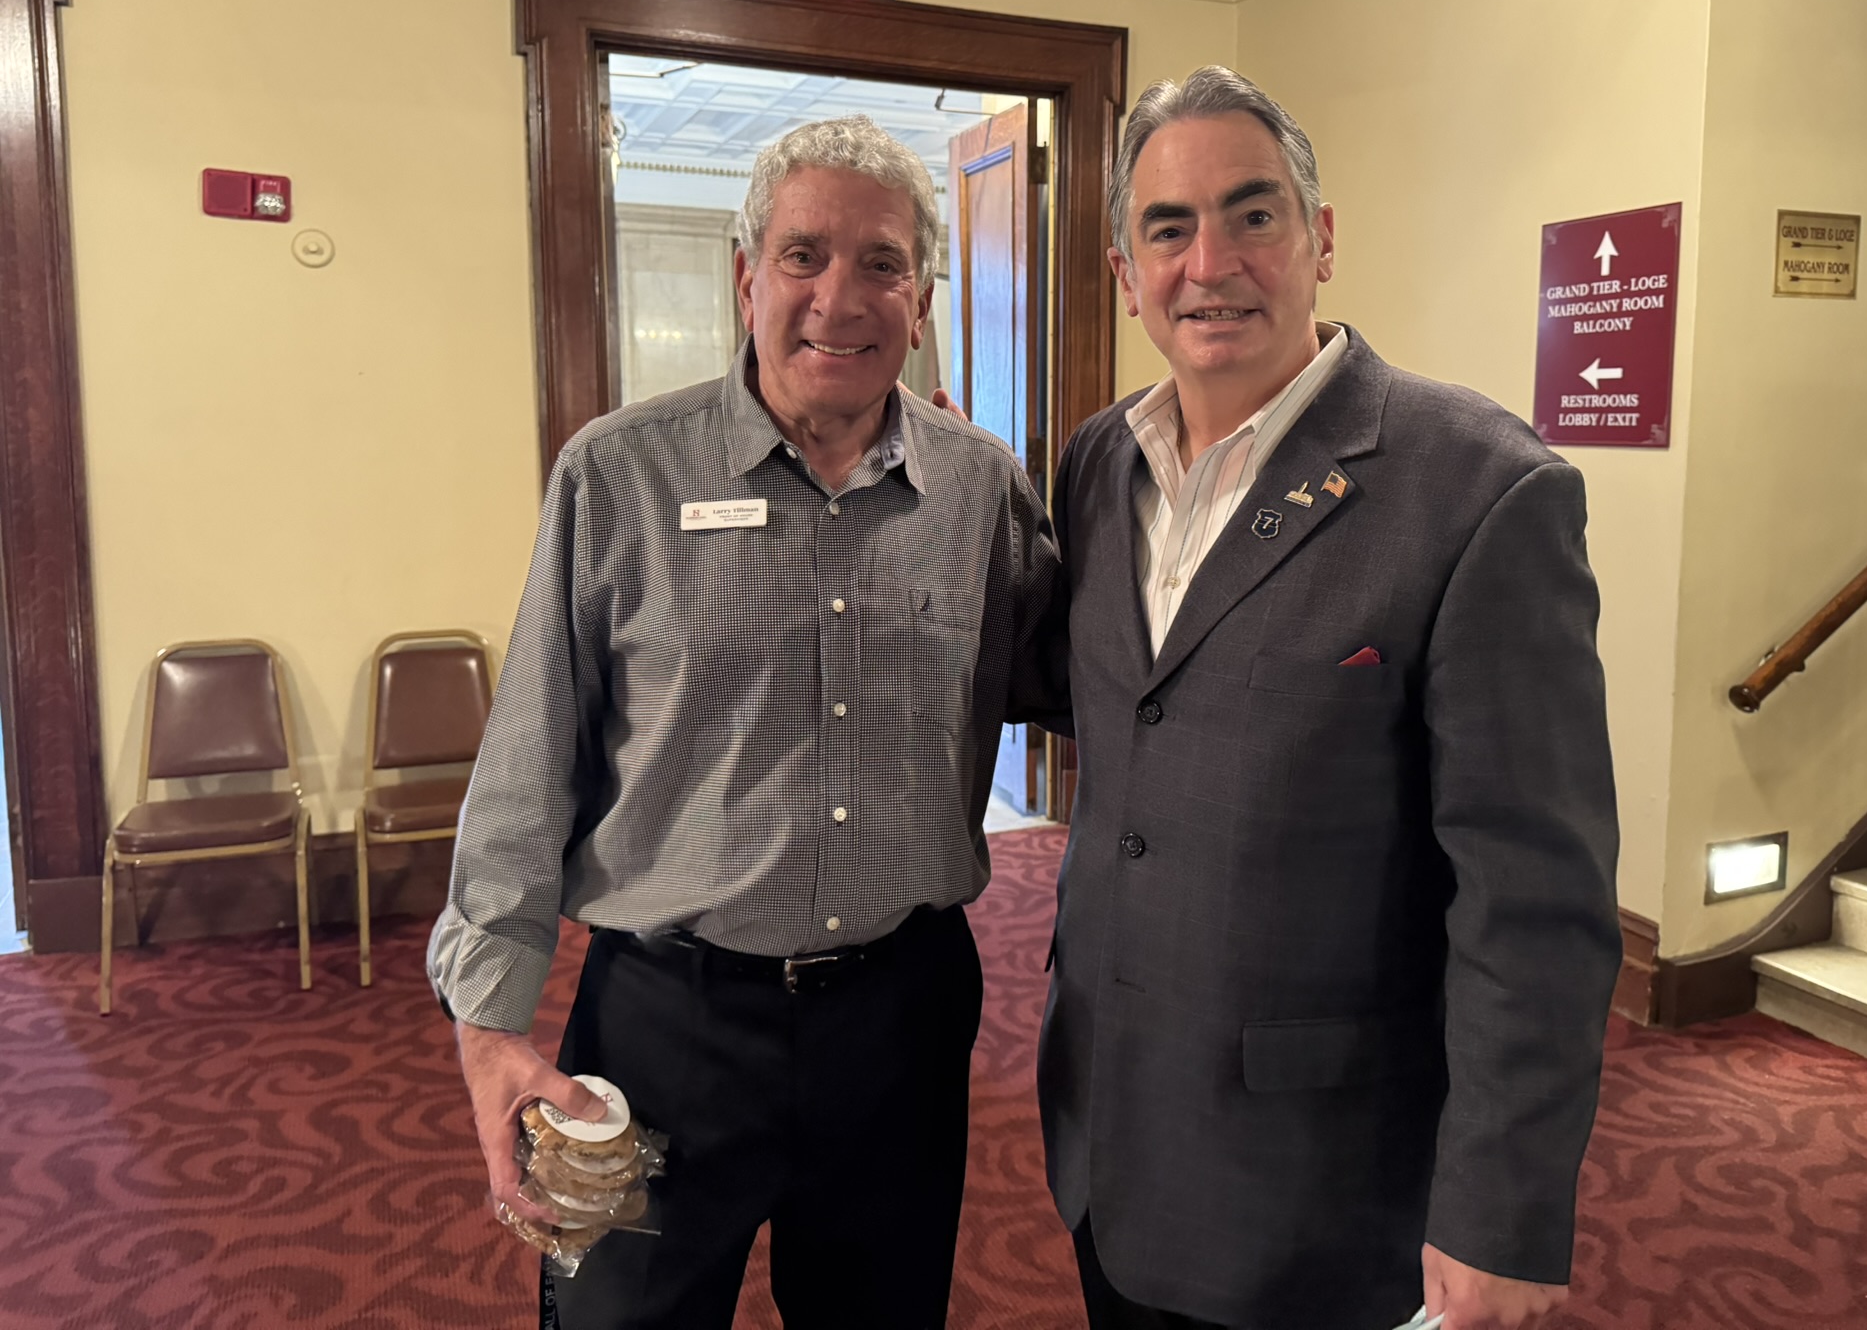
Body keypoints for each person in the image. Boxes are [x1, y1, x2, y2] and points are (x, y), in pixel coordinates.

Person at [427, 114, 1063, 1330]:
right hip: (665, 1026)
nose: (839, 297)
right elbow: (527, 765)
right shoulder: (617, 475)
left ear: (923, 301)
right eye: (802, 256)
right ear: (744, 277)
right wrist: (489, 1027)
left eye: (881, 263)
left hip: (901, 1017)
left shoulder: (981, 488)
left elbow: (1086, 681)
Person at [1037, 67, 1620, 1330]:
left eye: (1252, 214)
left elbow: (1535, 898)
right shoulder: (1096, 463)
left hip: (1320, 1185)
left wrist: (1500, 1208)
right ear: (1125, 272)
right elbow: (1124, 713)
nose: (1210, 265)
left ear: (1321, 238)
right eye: (1168, 229)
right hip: (1112, 1129)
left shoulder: (1477, 490)